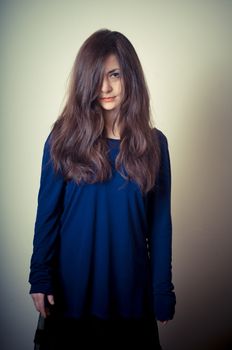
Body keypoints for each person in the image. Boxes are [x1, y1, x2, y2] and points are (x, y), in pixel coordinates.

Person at [29, 29, 176, 350]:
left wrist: (162, 289)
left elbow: (160, 225)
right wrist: (39, 275)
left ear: (130, 78)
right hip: (72, 294)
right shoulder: (63, 138)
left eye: (114, 74)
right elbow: (48, 214)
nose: (105, 87)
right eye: (97, 76)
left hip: (131, 296)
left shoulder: (155, 144)